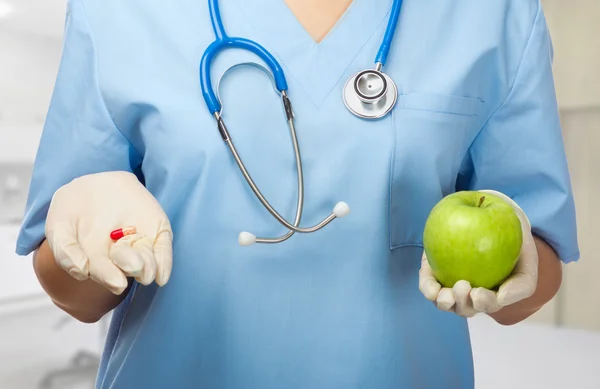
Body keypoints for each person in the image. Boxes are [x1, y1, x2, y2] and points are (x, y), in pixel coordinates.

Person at [17, 0, 579, 388]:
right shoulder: (118, 11)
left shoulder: (492, 14)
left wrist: (518, 263)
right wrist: (86, 244)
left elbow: (540, 270)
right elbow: (73, 290)